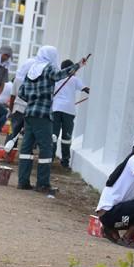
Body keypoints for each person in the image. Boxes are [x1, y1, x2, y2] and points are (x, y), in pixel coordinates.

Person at [17, 46, 86, 196]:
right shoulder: (47, 69)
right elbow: (59, 74)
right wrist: (78, 65)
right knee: (46, 149)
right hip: (43, 115)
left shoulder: (32, 70)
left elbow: (21, 93)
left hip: (29, 113)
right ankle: (42, 184)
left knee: (26, 149)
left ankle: (23, 182)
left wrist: (34, 98)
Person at [51, 59, 90, 169]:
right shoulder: (75, 79)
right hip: (69, 110)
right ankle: (65, 162)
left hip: (55, 109)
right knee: (66, 137)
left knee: (53, 135)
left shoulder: (56, 78)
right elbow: (86, 89)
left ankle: (49, 159)